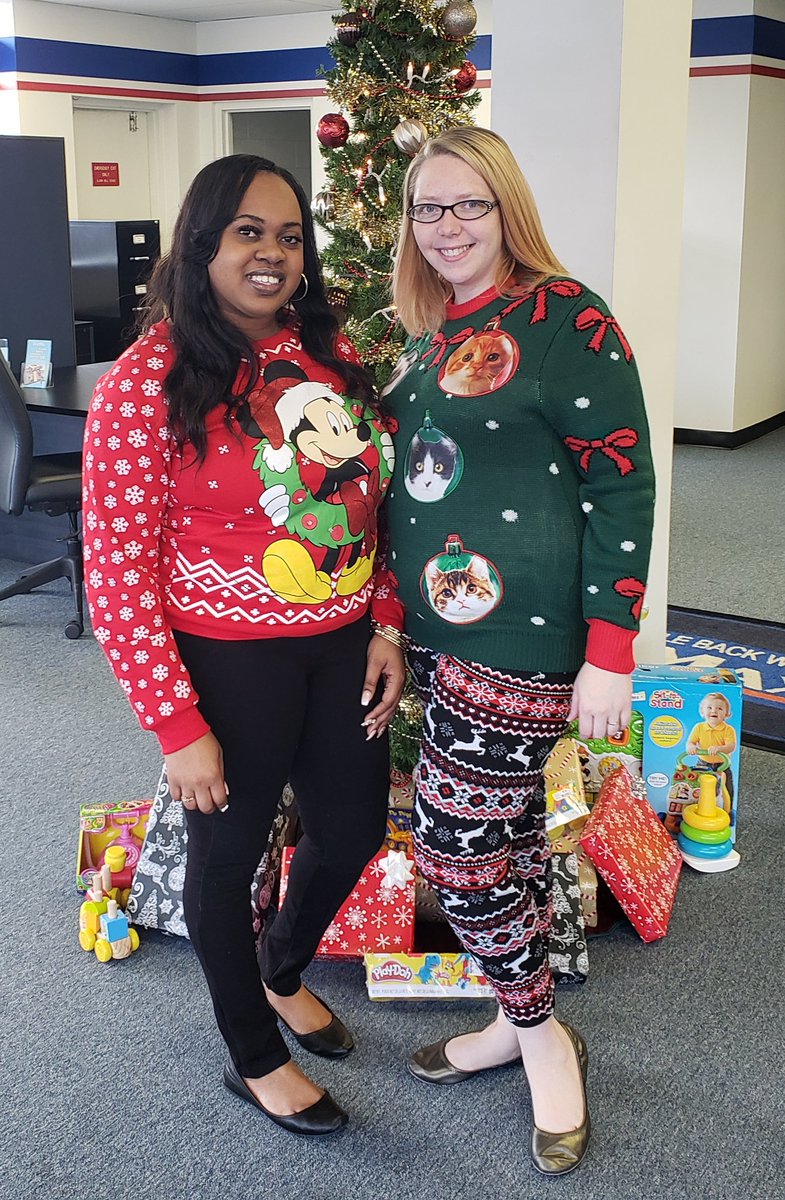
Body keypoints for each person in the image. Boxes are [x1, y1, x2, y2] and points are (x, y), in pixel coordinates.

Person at [82, 154, 406, 1136]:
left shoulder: (330, 354)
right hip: (228, 659)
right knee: (228, 862)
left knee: (351, 831)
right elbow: (117, 570)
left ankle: (279, 969)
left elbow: (376, 499)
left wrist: (385, 617)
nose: (273, 253)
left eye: (289, 236)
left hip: (341, 642)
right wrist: (176, 725)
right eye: (248, 233)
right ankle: (254, 1058)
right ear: (201, 244)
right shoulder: (148, 379)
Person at [383, 126, 656, 1176]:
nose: (447, 226)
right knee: (506, 841)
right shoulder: (426, 335)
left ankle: (542, 1040)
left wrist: (610, 649)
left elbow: (620, 484)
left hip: (526, 640)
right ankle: (512, 1017)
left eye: (470, 204)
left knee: (454, 850)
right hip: (439, 636)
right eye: (428, 208)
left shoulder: (565, 317)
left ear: (507, 209)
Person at [687, 691, 736, 808]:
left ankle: (728, 809)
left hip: (722, 764)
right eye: (709, 708)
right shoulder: (699, 727)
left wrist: (719, 748)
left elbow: (731, 746)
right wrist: (691, 747)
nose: (714, 711)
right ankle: (697, 806)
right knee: (698, 785)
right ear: (702, 711)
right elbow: (690, 742)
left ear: (726, 714)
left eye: (719, 708)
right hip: (703, 763)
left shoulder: (728, 730)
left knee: (726, 787)